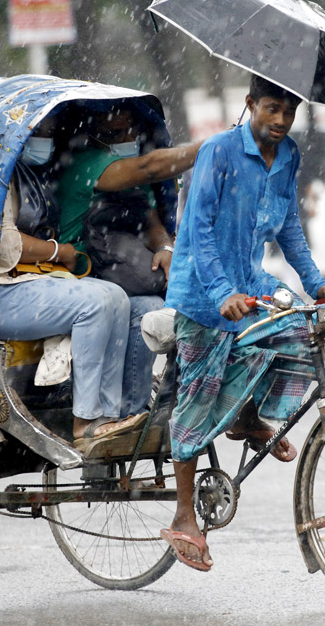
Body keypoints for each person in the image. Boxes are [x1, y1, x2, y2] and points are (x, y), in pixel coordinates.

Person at [160, 75, 325, 571]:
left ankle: (244, 415)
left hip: (250, 282)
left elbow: (287, 226)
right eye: (272, 109)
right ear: (251, 105)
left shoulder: (288, 157)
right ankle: (182, 516)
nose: (280, 121)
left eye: (289, 112)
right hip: (203, 292)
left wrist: (314, 281)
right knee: (197, 395)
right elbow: (198, 232)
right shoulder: (217, 152)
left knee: (301, 334)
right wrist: (221, 295)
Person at [0, 135, 144, 448]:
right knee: (95, 305)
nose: (44, 140)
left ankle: (106, 416)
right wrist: (56, 252)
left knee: (116, 297)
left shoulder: (23, 172)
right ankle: (85, 422)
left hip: (30, 281)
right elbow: (6, 247)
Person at [55, 106, 202, 417]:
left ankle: (148, 411)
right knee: (137, 307)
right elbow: (149, 168)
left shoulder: (129, 171)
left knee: (170, 306)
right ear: (92, 136)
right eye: (113, 134)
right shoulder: (88, 163)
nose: (127, 139)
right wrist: (211, 147)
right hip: (82, 276)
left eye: (131, 130)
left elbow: (151, 223)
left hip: (122, 270)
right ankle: (118, 415)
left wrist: (165, 247)